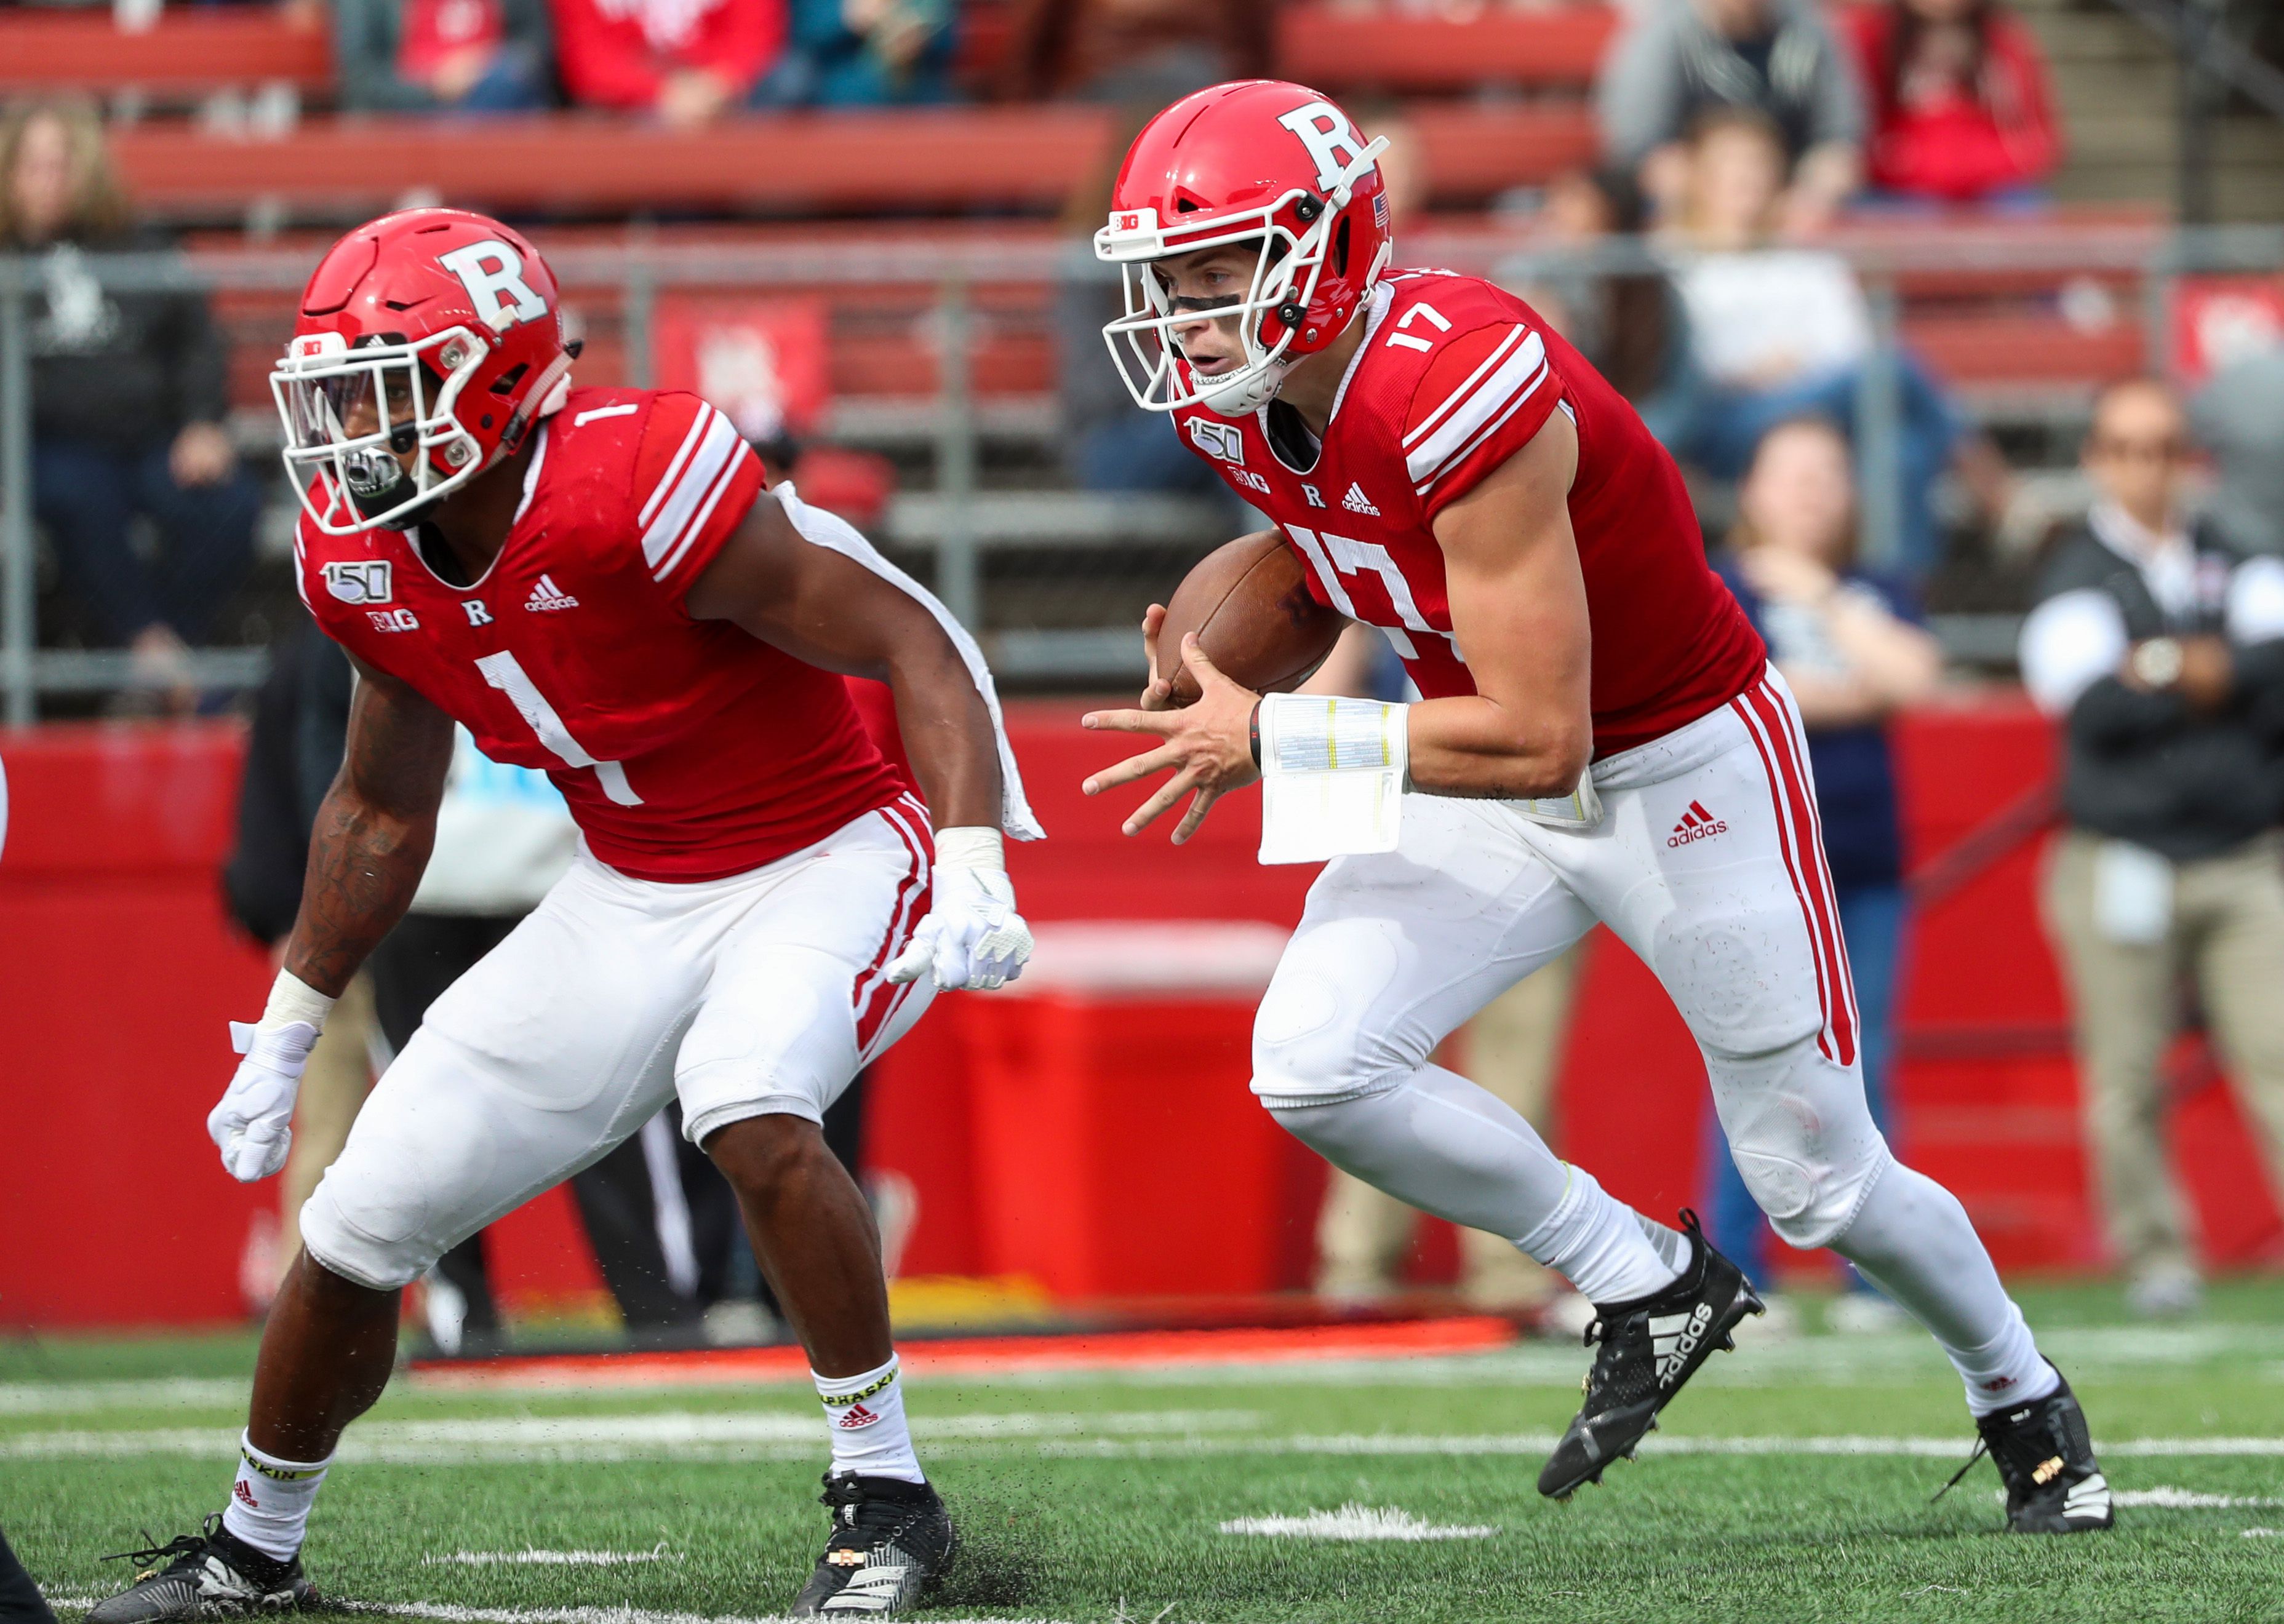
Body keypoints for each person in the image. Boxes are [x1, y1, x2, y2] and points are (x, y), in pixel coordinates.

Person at [1084, 80, 2110, 1531]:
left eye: (1217, 266)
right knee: (1315, 1061)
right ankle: (1642, 1275)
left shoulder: (1455, 378)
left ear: (1324, 247)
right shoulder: (1249, 402)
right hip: (1472, 745)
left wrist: (1282, 737)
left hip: (1670, 756)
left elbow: (1542, 738)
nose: (1187, 306)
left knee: (1817, 1175)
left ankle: (2018, 1388)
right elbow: (1331, 562)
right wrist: (1215, 671)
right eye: (1169, 274)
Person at [86, 207, 1039, 1624]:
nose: (350, 424)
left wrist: (970, 852)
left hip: (828, 845)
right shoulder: (368, 551)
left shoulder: (635, 481)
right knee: (362, 1211)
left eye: (383, 384)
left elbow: (907, 633)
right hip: (630, 883)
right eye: (334, 387)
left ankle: (889, 1500)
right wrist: (290, 1023)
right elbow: (377, 806)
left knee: (747, 1097)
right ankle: (251, 1549)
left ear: (495, 381)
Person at [2019, 377, 2284, 1320]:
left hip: (2243, 850)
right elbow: (2087, 704)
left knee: (2277, 1054)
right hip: (2122, 851)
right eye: (2127, 448)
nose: (2147, 469)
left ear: (2189, 458)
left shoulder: (2234, 552)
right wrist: (2203, 665)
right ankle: (2156, 1254)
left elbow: (2274, 666)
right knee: (2126, 1073)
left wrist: (2158, 664)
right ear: (2096, 460)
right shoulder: (2074, 566)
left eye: (2164, 447)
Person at [1704, 416, 1943, 1331]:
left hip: (1864, 864)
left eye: (1829, 474)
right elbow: (1741, 691)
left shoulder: (1873, 586)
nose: (1810, 491)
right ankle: (1732, 1264)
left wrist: (1820, 596)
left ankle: (1875, 1278)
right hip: (1748, 866)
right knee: (1748, 1064)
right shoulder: (1716, 583)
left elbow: (1914, 677)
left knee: (1863, 1064)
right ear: (1754, 491)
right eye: (1791, 474)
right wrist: (1850, 683)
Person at [2, 97, 259, 703]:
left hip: (152, 439)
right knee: (75, 496)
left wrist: (202, 424)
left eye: (60, 165)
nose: (47, 181)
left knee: (230, 504)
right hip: (46, 445)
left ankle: (162, 666)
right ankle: (159, 659)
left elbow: (198, 343)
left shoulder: (139, 244)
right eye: (33, 166)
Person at [1662, 108, 1968, 578]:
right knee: (1894, 366)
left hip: (1827, 412)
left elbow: (1852, 349)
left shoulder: (1806, 260)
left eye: (1758, 164)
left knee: (1900, 449)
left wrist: (1791, 373)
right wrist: (1771, 371)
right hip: (1730, 424)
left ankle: (1896, 601)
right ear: (1700, 177)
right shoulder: (1670, 262)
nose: (1747, 177)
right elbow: (1693, 370)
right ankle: (1979, 466)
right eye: (1732, 164)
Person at [1597, 0, 1864, 234]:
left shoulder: (1807, 30)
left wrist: (1810, 200)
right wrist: (1713, 203)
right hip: (1693, 212)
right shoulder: (1663, 35)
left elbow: (1839, 142)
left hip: (1787, 202)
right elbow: (1642, 148)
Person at [1839, 0, 2063, 207]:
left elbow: (2039, 135)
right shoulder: (1871, 37)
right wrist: (1897, 162)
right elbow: (1847, 132)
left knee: (2023, 209)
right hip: (1898, 191)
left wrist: (1976, 169)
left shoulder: (2005, 42)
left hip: (1994, 191)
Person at [547, 0, 788, 124]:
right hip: (626, 112)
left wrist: (717, 83)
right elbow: (588, 63)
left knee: (787, 82)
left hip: (727, 102)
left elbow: (757, 38)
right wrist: (663, 93)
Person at [332, 0, 555, 113]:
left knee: (506, 82)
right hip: (411, 110)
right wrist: (434, 85)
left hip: (499, 95)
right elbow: (361, 77)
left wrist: (480, 63)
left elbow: (534, 47)